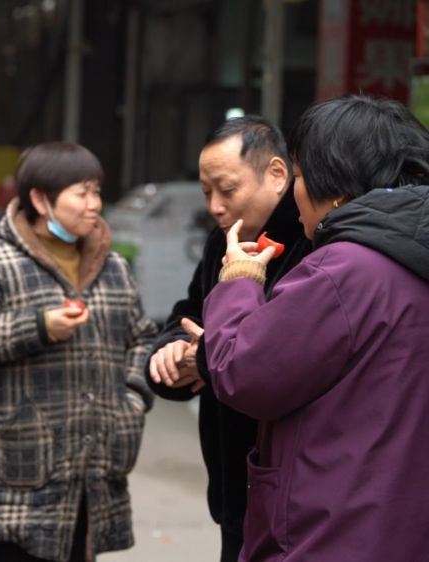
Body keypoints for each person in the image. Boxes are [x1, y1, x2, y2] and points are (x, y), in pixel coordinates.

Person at [202, 95, 429, 561]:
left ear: (335, 184)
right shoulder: (409, 255)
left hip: (332, 526)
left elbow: (244, 372)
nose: (296, 193)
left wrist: (239, 280)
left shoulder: (344, 271)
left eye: (301, 177)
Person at [0, 142, 157, 561]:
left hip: (92, 476)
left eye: (97, 192)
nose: (94, 204)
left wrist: (134, 397)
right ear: (40, 199)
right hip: (18, 476)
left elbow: (142, 338)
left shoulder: (114, 268)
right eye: (82, 193)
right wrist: (39, 327)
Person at [143, 116, 310, 561]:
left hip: (293, 489)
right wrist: (169, 353)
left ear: (277, 174)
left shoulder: (313, 243)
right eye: (206, 192)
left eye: (227, 189)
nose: (215, 206)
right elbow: (189, 313)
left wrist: (208, 357)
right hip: (232, 484)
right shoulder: (224, 241)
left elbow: (276, 355)